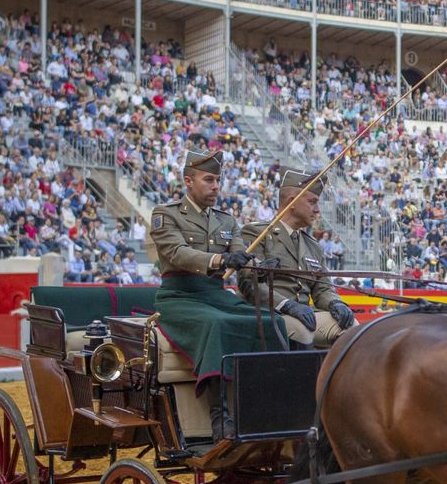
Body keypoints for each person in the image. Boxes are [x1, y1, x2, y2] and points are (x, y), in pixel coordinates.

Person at [148, 149, 288, 441]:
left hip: (216, 295)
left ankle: (272, 406)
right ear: (188, 181)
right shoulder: (166, 214)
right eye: (208, 179)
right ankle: (219, 415)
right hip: (179, 297)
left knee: (272, 322)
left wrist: (261, 268)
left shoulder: (227, 222)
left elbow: (242, 258)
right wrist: (219, 261)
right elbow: (177, 252)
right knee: (217, 324)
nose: (215, 186)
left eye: (217, 180)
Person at [238, 169, 356, 349]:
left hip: (306, 316)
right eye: (312, 202)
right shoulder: (257, 233)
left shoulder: (313, 246)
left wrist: (336, 303)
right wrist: (287, 305)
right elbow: (249, 284)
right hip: (270, 313)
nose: (317, 210)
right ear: (291, 202)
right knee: (301, 330)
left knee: (352, 329)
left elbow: (323, 288)